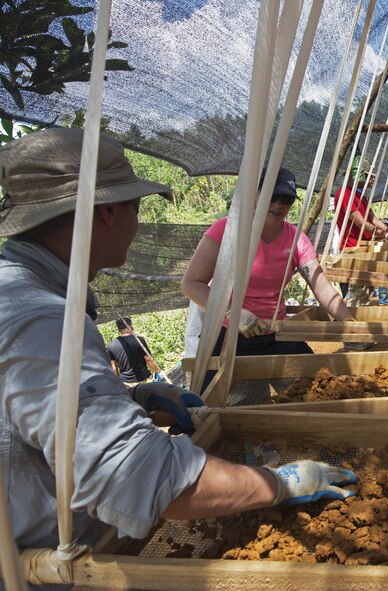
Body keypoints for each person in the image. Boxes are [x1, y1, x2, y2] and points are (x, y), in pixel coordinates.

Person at [0, 129, 359, 564]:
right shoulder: (41, 319)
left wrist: (131, 395)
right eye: (139, 208)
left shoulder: (25, 297)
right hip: (35, 567)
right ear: (110, 211)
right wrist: (277, 483)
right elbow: (133, 474)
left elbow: (32, 417)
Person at [182, 166, 360, 369]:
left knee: (318, 380)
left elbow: (322, 287)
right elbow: (191, 284)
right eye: (273, 196)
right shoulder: (227, 229)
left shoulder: (296, 240)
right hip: (227, 335)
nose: (279, 205)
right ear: (256, 194)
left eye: (287, 200)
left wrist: (350, 323)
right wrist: (234, 313)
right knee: (220, 399)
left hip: (276, 333)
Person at [334, 154, 388, 308]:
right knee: (358, 291)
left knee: (374, 280)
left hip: (364, 246)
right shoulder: (344, 194)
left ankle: (381, 302)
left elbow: (373, 218)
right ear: (358, 175)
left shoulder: (359, 194)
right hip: (353, 249)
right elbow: (363, 224)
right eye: (369, 176)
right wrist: (383, 234)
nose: (372, 180)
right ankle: (350, 320)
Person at [106, 316, 161, 384]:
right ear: (131, 326)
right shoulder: (139, 340)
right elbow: (148, 359)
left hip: (125, 381)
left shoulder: (111, 345)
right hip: (142, 379)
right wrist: (157, 371)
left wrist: (117, 382)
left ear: (118, 329)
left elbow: (113, 365)